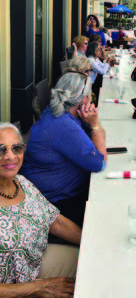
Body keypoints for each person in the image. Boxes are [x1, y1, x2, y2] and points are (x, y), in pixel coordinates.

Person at [0, 123, 81, 296]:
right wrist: (41, 287)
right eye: (1, 150)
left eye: (16, 148)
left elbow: (55, 222)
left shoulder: (21, 182)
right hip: (11, 288)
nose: (10, 156)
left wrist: (92, 243)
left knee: (91, 262)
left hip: (33, 264)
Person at [20, 73, 107, 227]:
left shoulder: (57, 112)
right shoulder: (62, 124)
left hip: (48, 194)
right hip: (53, 204)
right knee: (106, 216)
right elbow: (99, 164)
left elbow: (98, 139)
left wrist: (93, 125)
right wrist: (95, 125)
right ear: (84, 99)